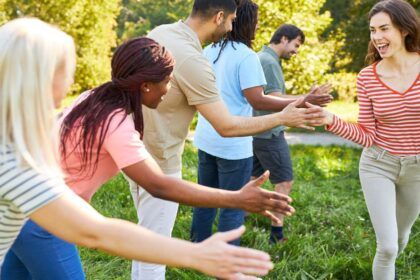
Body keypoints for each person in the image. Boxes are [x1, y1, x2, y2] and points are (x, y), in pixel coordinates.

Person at [0, 17, 278, 280]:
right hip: (46, 223)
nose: (169, 89)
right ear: (145, 85)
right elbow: (156, 188)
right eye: (166, 81)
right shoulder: (112, 123)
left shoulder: (94, 98)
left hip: (27, 219)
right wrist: (234, 202)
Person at [128, 0, 326, 278]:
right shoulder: (196, 59)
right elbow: (229, 124)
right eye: (231, 19)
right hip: (162, 161)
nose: (234, 25)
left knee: (145, 241)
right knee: (155, 251)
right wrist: (285, 116)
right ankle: (227, 263)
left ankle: (201, 249)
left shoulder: (162, 32)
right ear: (219, 16)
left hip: (137, 151)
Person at [191, 1, 332, 246]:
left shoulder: (209, 50)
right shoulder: (246, 56)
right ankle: (226, 258)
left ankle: (196, 248)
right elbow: (258, 100)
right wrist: (303, 100)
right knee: (234, 205)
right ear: (243, 22)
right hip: (233, 146)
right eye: (255, 22)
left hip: (207, 136)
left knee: (206, 197)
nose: (257, 27)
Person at [315, 0, 419, 279]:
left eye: (384, 28)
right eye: (373, 30)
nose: (377, 37)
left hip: (417, 170)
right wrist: (329, 119)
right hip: (378, 164)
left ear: (405, 29)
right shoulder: (368, 77)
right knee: (386, 248)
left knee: (399, 239)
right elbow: (366, 134)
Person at [252, 24, 332, 244]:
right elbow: (276, 100)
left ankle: (239, 220)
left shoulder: (262, 57)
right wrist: (308, 98)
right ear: (284, 38)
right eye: (296, 45)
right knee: (285, 180)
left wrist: (307, 98)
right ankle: (276, 235)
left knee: (252, 179)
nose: (296, 51)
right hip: (269, 133)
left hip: (257, 130)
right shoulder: (269, 61)